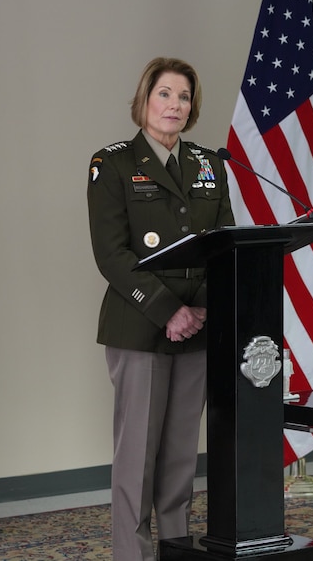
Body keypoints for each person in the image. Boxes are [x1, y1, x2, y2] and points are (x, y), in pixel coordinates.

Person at [87, 57, 234, 561]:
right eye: (165, 94)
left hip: (198, 323)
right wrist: (171, 310)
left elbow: (225, 241)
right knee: (137, 456)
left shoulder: (209, 164)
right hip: (141, 324)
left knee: (178, 453)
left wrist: (202, 309)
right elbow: (112, 255)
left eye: (184, 97)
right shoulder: (113, 164)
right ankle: (133, 554)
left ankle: (175, 548)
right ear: (144, 99)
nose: (175, 105)